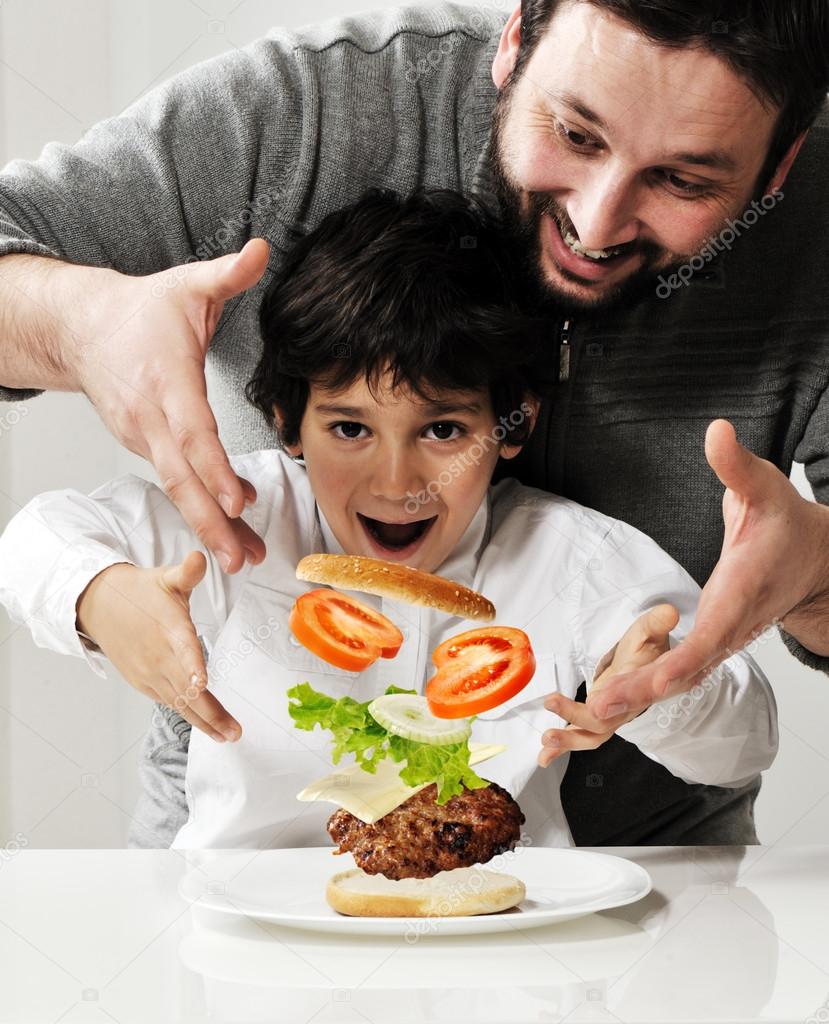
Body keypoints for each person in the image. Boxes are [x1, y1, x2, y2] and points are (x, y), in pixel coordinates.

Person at [0, 0, 826, 846]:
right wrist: (78, 321)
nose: (596, 222)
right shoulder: (245, 519)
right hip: (228, 918)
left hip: (605, 911)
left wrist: (809, 585)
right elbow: (38, 541)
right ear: (514, 40)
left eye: (684, 180)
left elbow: (737, 737)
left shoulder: (576, 558)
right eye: (576, 134)